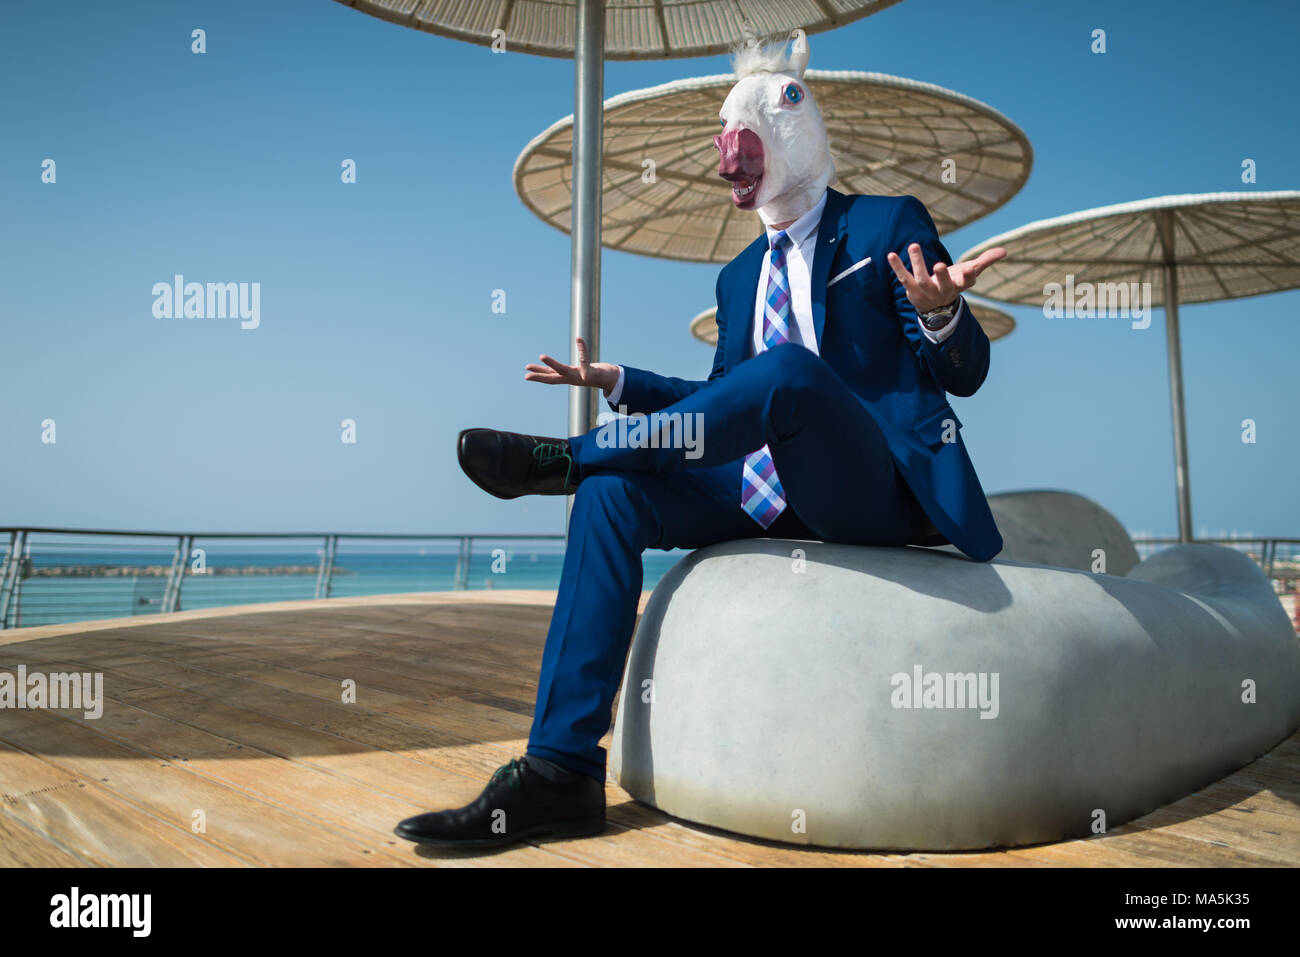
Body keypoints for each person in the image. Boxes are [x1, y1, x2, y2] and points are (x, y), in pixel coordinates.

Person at [395, 31, 1006, 849]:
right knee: (613, 499)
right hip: (756, 493)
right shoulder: (736, 277)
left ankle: (565, 460)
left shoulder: (887, 225)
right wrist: (622, 384)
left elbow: (961, 375)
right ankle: (560, 771)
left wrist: (940, 314)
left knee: (789, 371)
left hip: (866, 488)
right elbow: (725, 404)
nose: (729, 161)